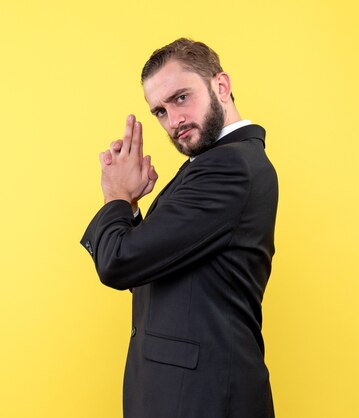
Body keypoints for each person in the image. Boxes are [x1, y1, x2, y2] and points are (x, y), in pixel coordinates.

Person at [80, 38, 278, 418]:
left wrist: (116, 197)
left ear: (221, 86)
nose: (174, 121)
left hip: (204, 400)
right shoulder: (215, 164)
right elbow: (154, 265)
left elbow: (118, 262)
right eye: (160, 111)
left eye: (181, 98)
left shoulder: (229, 168)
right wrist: (132, 207)